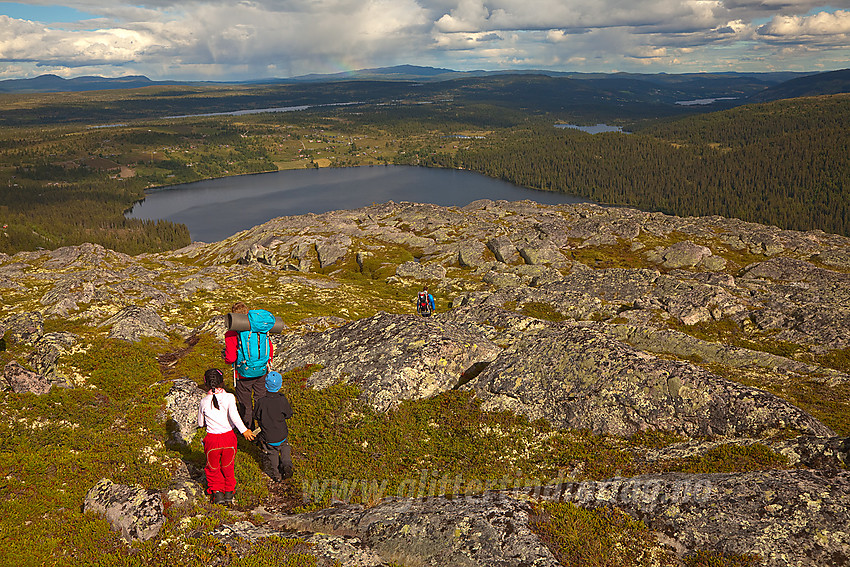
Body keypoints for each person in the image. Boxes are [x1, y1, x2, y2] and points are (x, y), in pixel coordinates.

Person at [197, 368, 255, 506]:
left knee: (213, 468)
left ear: (206, 384)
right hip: (229, 438)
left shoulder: (204, 401)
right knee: (228, 466)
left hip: (212, 440)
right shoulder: (229, 397)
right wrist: (245, 431)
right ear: (222, 382)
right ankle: (229, 492)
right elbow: (235, 417)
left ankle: (217, 494)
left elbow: (200, 423)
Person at [224, 301, 274, 429]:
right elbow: (269, 349)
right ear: (247, 313)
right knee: (261, 400)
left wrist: (227, 359)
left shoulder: (231, 333)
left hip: (243, 374)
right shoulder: (261, 328)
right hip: (262, 371)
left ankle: (249, 431)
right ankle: (264, 428)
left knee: (245, 404)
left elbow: (230, 358)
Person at [254, 370, 294, 482]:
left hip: (268, 436)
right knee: (285, 447)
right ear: (280, 385)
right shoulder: (282, 400)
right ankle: (286, 464)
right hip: (282, 433)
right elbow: (289, 414)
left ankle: (277, 476)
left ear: (265, 385)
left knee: (272, 454)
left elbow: (256, 416)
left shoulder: (261, 402)